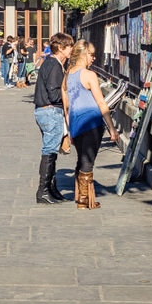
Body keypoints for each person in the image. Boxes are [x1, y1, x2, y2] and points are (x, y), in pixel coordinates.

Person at [66, 40, 120, 210]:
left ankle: (82, 196)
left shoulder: (68, 75)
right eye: (91, 54)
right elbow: (101, 103)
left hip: (76, 123)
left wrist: (69, 130)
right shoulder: (89, 75)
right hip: (91, 122)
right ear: (83, 54)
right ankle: (84, 200)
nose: (94, 58)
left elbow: (67, 107)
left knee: (81, 159)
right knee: (88, 161)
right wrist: (112, 128)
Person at [33, 33, 74, 204]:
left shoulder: (50, 63)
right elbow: (54, 91)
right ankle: (43, 191)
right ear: (61, 48)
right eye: (69, 46)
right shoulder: (55, 65)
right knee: (49, 150)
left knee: (52, 149)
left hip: (44, 111)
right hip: (50, 111)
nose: (72, 49)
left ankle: (51, 188)